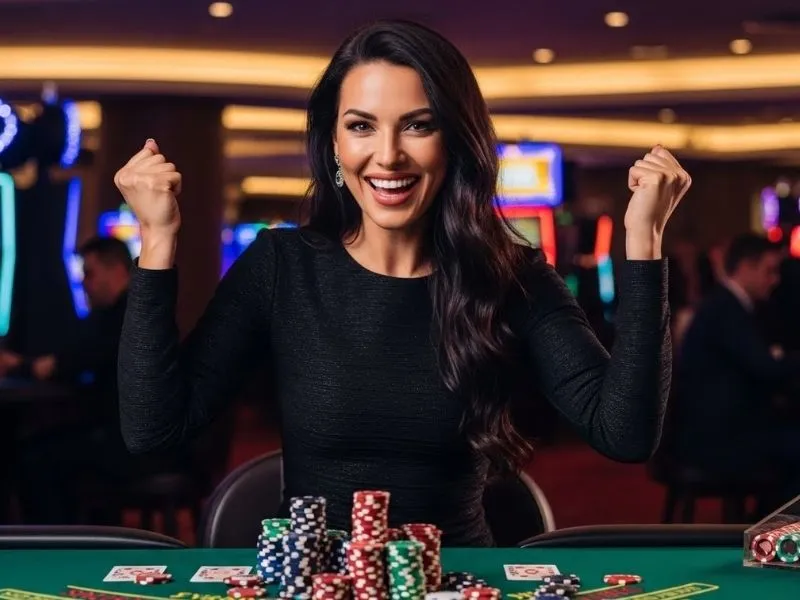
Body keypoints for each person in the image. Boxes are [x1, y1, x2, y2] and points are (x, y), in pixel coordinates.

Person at [114, 20, 690, 546]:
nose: (387, 156)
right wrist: (157, 239)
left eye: (418, 125)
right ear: (335, 146)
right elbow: (154, 429)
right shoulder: (281, 264)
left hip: (458, 580)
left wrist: (644, 242)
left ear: (454, 142)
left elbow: (626, 434)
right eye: (361, 126)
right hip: (318, 583)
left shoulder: (511, 274)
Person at [7, 236, 135, 524]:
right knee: (37, 449)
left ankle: (54, 549)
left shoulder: (125, 315)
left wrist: (23, 365)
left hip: (130, 445)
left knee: (33, 458)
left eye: (90, 273)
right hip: (133, 437)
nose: (85, 284)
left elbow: (66, 363)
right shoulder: (127, 311)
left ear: (116, 270)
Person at [672, 234, 800, 502]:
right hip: (717, 440)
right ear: (745, 267)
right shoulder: (724, 308)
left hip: (723, 428)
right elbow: (766, 368)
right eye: (770, 271)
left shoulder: (728, 304)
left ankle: (769, 526)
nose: (775, 280)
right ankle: (774, 535)